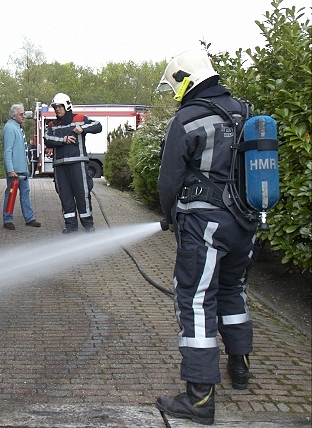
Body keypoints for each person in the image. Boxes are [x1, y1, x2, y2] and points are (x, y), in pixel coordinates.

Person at [155, 49, 257, 425]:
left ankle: (199, 397)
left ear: (186, 80)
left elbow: (169, 180)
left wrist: (167, 217)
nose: (174, 94)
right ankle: (241, 368)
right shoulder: (243, 112)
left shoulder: (188, 119)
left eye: (174, 86)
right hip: (245, 224)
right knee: (233, 292)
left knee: (196, 301)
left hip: (205, 226)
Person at [44, 93, 102, 233]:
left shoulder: (80, 119)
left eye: (59, 106)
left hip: (78, 164)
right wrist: (63, 140)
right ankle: (70, 225)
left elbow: (98, 126)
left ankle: (88, 225)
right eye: (55, 107)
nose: (57, 109)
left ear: (67, 105)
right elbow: (47, 139)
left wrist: (83, 129)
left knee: (82, 194)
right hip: (60, 166)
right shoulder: (52, 124)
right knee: (65, 195)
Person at [2, 103, 41, 230]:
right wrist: (10, 169)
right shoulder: (9, 128)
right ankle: (7, 219)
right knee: (11, 193)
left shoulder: (17, 127)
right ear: (14, 116)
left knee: (25, 193)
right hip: (15, 170)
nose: (24, 116)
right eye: (21, 114)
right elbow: (8, 150)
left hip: (22, 169)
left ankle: (29, 218)